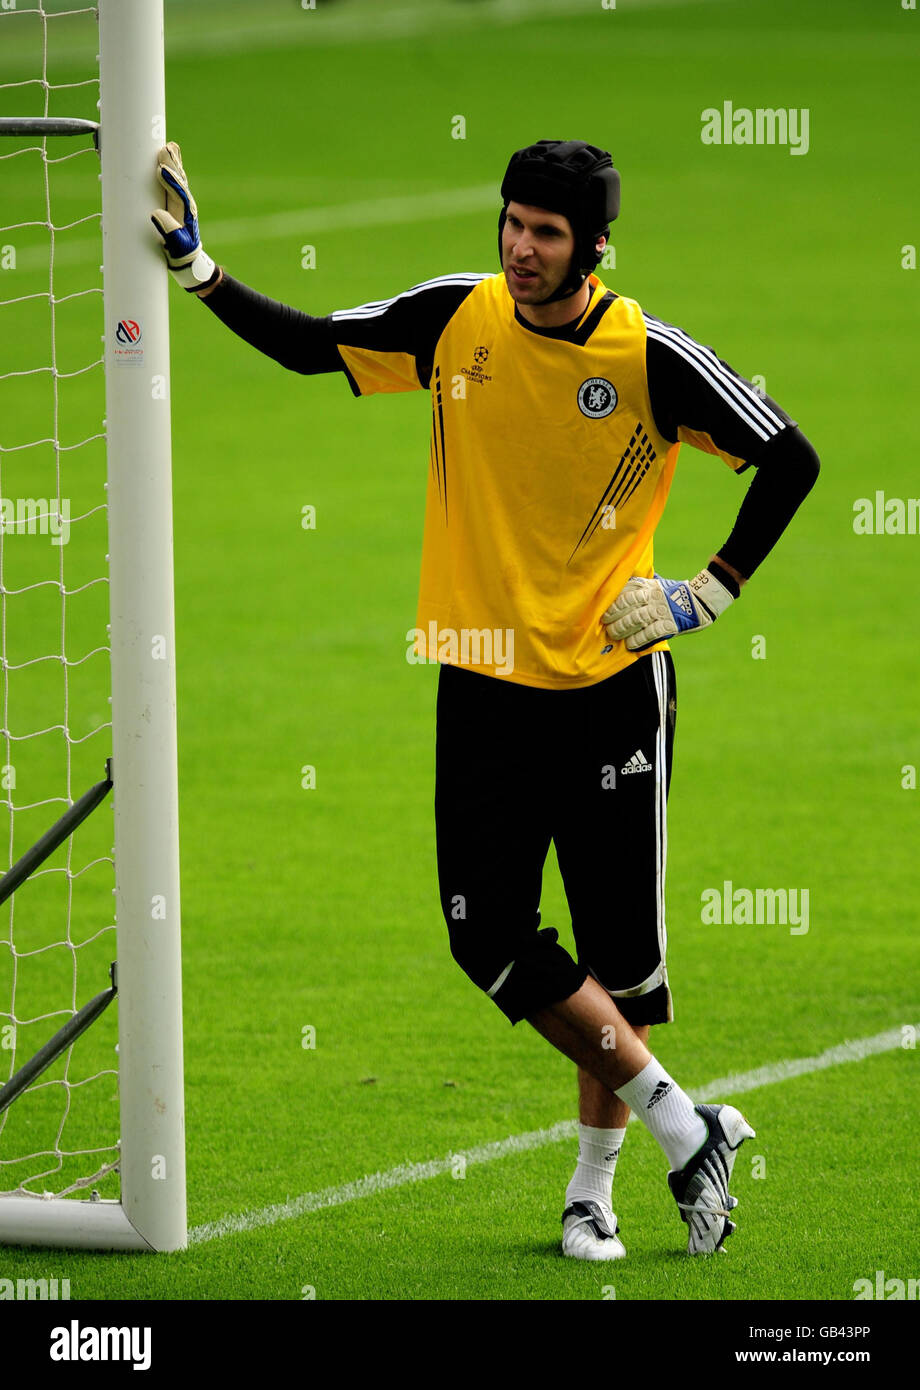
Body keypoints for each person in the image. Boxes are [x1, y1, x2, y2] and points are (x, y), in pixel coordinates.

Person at [151, 138, 819, 1260]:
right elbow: (318, 349)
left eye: (545, 233)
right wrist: (195, 269)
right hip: (479, 680)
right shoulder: (456, 319)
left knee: (621, 965)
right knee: (485, 936)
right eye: (511, 223)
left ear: (592, 247)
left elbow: (789, 456)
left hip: (609, 690)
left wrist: (705, 592)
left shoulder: (645, 355)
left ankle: (590, 1193)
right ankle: (685, 1122)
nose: (518, 248)